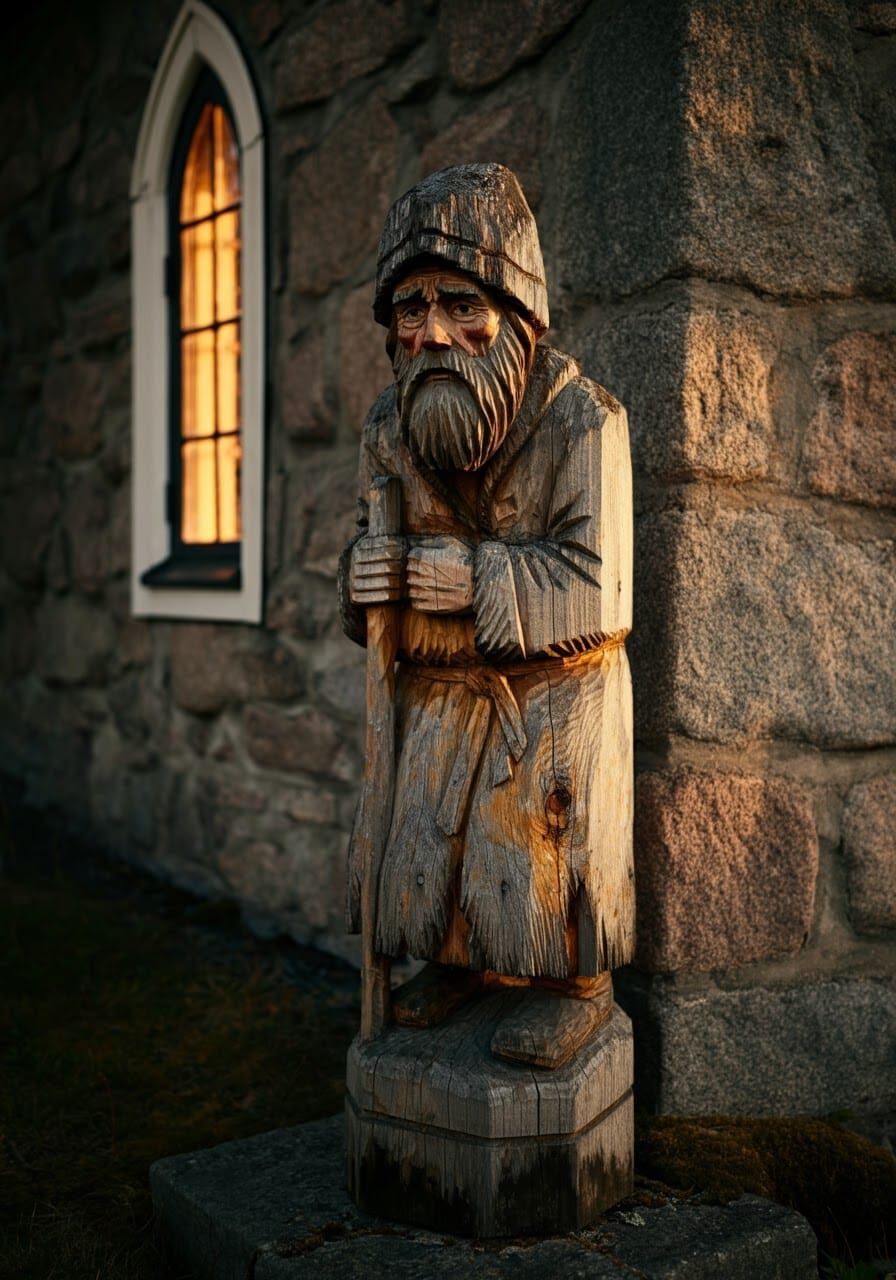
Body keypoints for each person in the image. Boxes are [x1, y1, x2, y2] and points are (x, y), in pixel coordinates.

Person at [339, 163, 634, 1069]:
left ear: (516, 313)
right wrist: (365, 577)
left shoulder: (583, 421)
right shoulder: (391, 433)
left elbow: (601, 585)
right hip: (437, 698)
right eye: (411, 309)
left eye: (459, 304)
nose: (433, 333)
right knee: (424, 844)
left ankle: (574, 988)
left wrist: (476, 578)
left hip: (549, 697)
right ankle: (458, 966)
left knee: (530, 852)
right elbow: (360, 578)